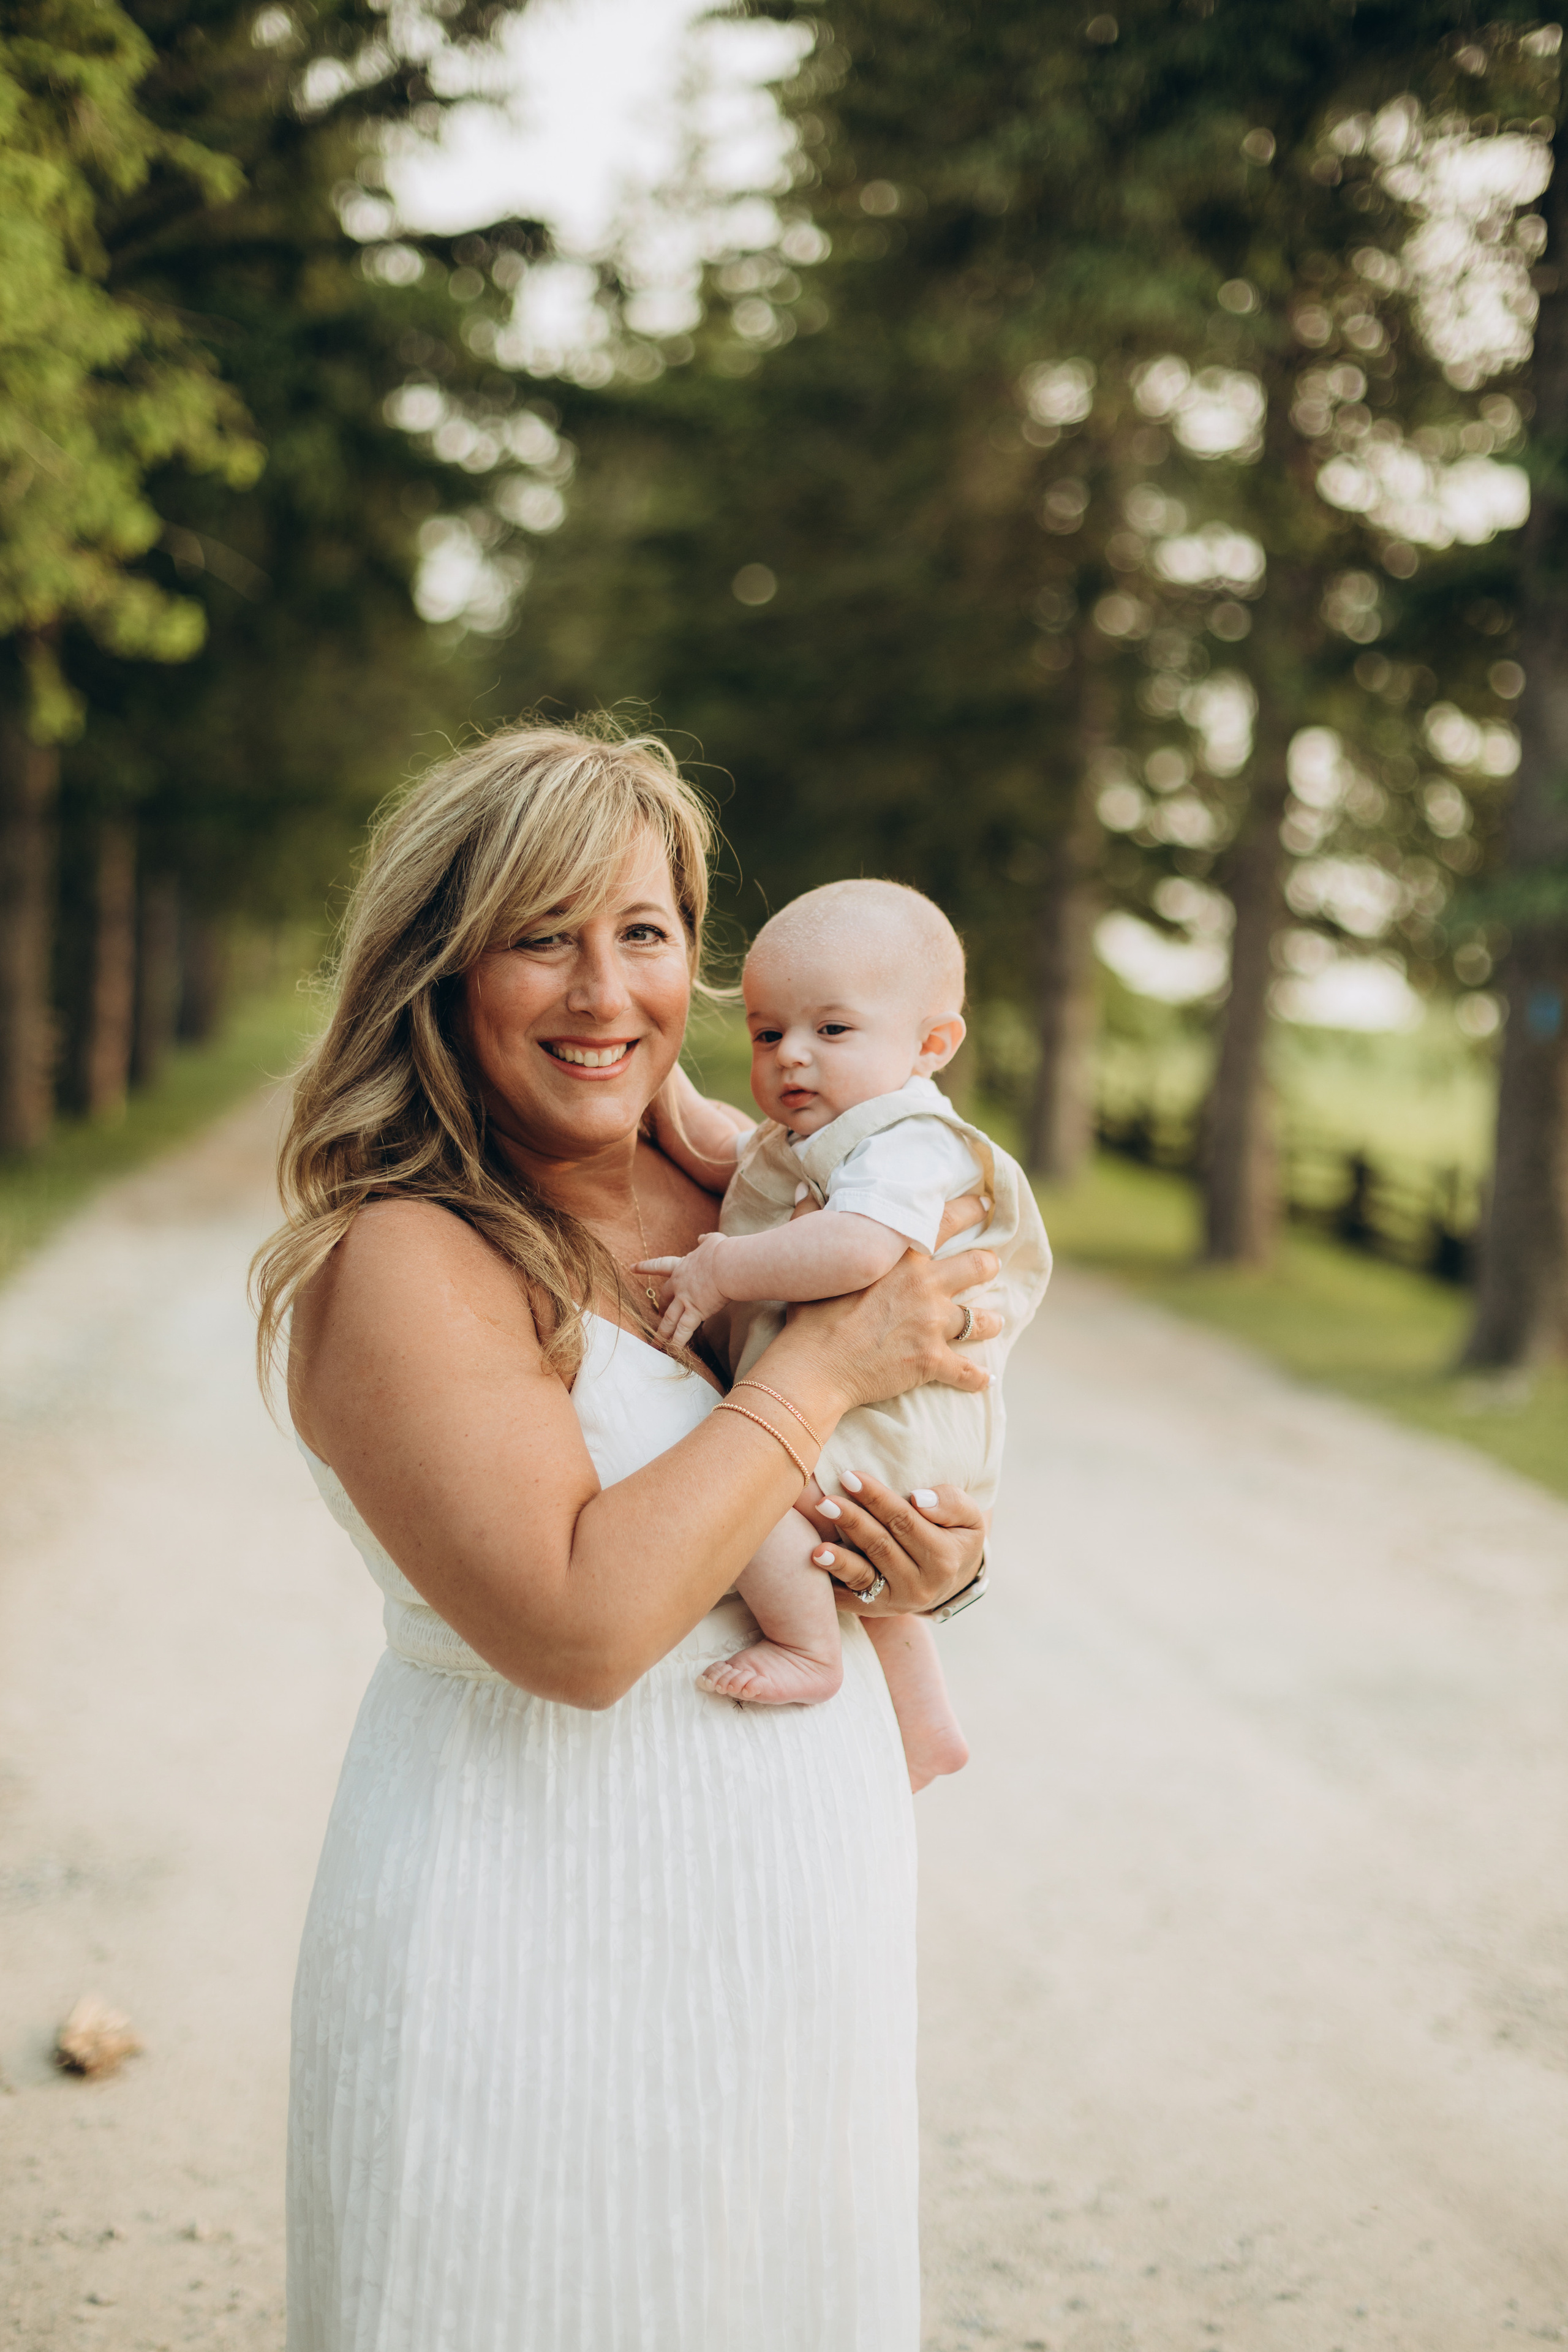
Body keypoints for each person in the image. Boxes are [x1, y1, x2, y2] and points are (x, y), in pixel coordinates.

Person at [253, 723, 1002, 2352]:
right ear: (438, 973)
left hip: (795, 1956)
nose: (606, 996)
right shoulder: (410, 1256)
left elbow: (889, 1435)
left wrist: (930, 1564)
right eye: (541, 938)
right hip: (527, 1953)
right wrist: (819, 1370)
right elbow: (582, 1631)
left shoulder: (750, 1193)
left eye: (644, 934)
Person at [639, 880, 1051, 1793]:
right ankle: (926, 1723)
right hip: (887, 1414)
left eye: (831, 1031)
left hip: (896, 1412)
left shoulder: (906, 1141)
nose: (791, 1057)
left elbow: (862, 1247)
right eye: (766, 1032)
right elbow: (730, 1151)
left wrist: (723, 1271)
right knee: (846, 1540)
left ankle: (806, 1646)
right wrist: (654, 1085)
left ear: (932, 1045)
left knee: (749, 1493)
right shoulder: (828, 1136)